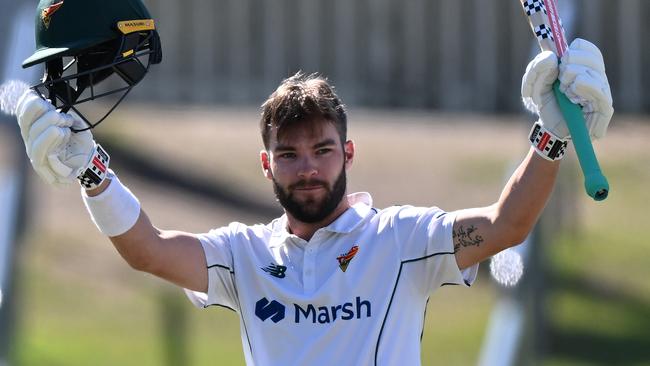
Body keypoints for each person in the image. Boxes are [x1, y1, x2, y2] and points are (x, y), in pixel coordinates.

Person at [16, 2, 613, 364]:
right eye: (290, 154)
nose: (308, 168)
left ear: (347, 153)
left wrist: (551, 138)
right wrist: (92, 173)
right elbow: (147, 251)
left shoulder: (401, 241)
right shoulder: (243, 256)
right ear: (266, 163)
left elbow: (507, 226)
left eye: (323, 151)